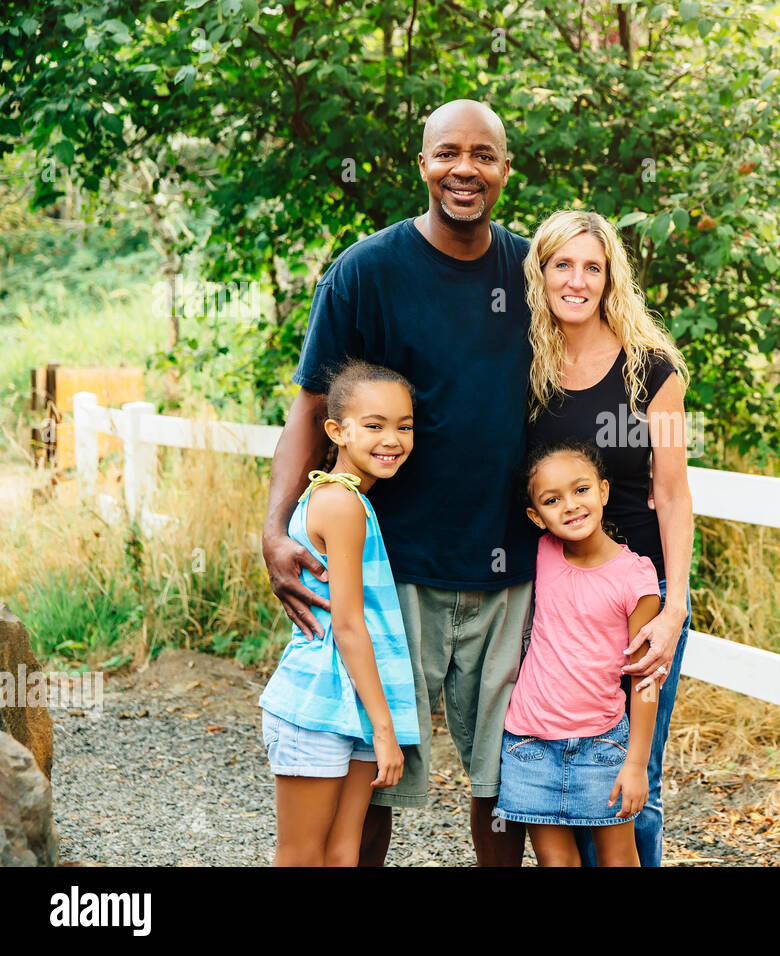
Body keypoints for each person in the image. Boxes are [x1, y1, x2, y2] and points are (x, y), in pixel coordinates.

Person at [261, 99, 536, 866]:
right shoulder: (366, 272)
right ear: (423, 164)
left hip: (508, 566)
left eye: (485, 154)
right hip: (391, 571)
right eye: (449, 152)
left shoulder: (531, 272)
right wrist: (276, 529)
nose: (466, 169)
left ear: (504, 169)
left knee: (503, 784)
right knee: (373, 778)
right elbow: (313, 405)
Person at [523, 209, 694, 866]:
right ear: (541, 274)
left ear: (610, 277)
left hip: (640, 602)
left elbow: (674, 493)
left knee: (633, 782)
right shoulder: (525, 368)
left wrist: (675, 603)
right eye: (563, 264)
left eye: (592, 266)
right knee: (564, 777)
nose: (577, 280)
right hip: (557, 605)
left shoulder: (654, 371)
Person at [257, 359, 422, 866]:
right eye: (373, 426)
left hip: (352, 703)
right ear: (337, 431)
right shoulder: (341, 504)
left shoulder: (354, 502)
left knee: (343, 853)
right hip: (319, 703)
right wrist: (386, 729)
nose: (391, 438)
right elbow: (348, 627)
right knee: (304, 855)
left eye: (404, 426)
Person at [493, 440, 663, 866]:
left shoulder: (636, 578)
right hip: (529, 744)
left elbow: (643, 676)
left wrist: (637, 763)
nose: (570, 505)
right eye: (553, 499)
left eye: (581, 490)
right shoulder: (540, 554)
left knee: (618, 860)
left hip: (602, 745)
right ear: (536, 516)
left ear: (604, 491)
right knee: (557, 862)